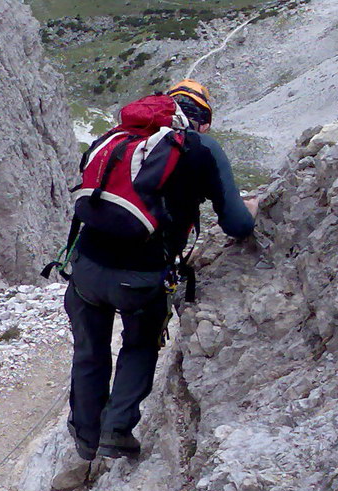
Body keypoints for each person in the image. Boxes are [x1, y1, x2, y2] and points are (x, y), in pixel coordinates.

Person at [65, 79, 258, 461]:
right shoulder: (201, 148)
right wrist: (250, 207)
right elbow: (237, 224)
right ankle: (115, 431)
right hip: (139, 277)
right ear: (202, 121)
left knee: (89, 350)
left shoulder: (119, 138)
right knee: (138, 344)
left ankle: (85, 438)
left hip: (85, 267)